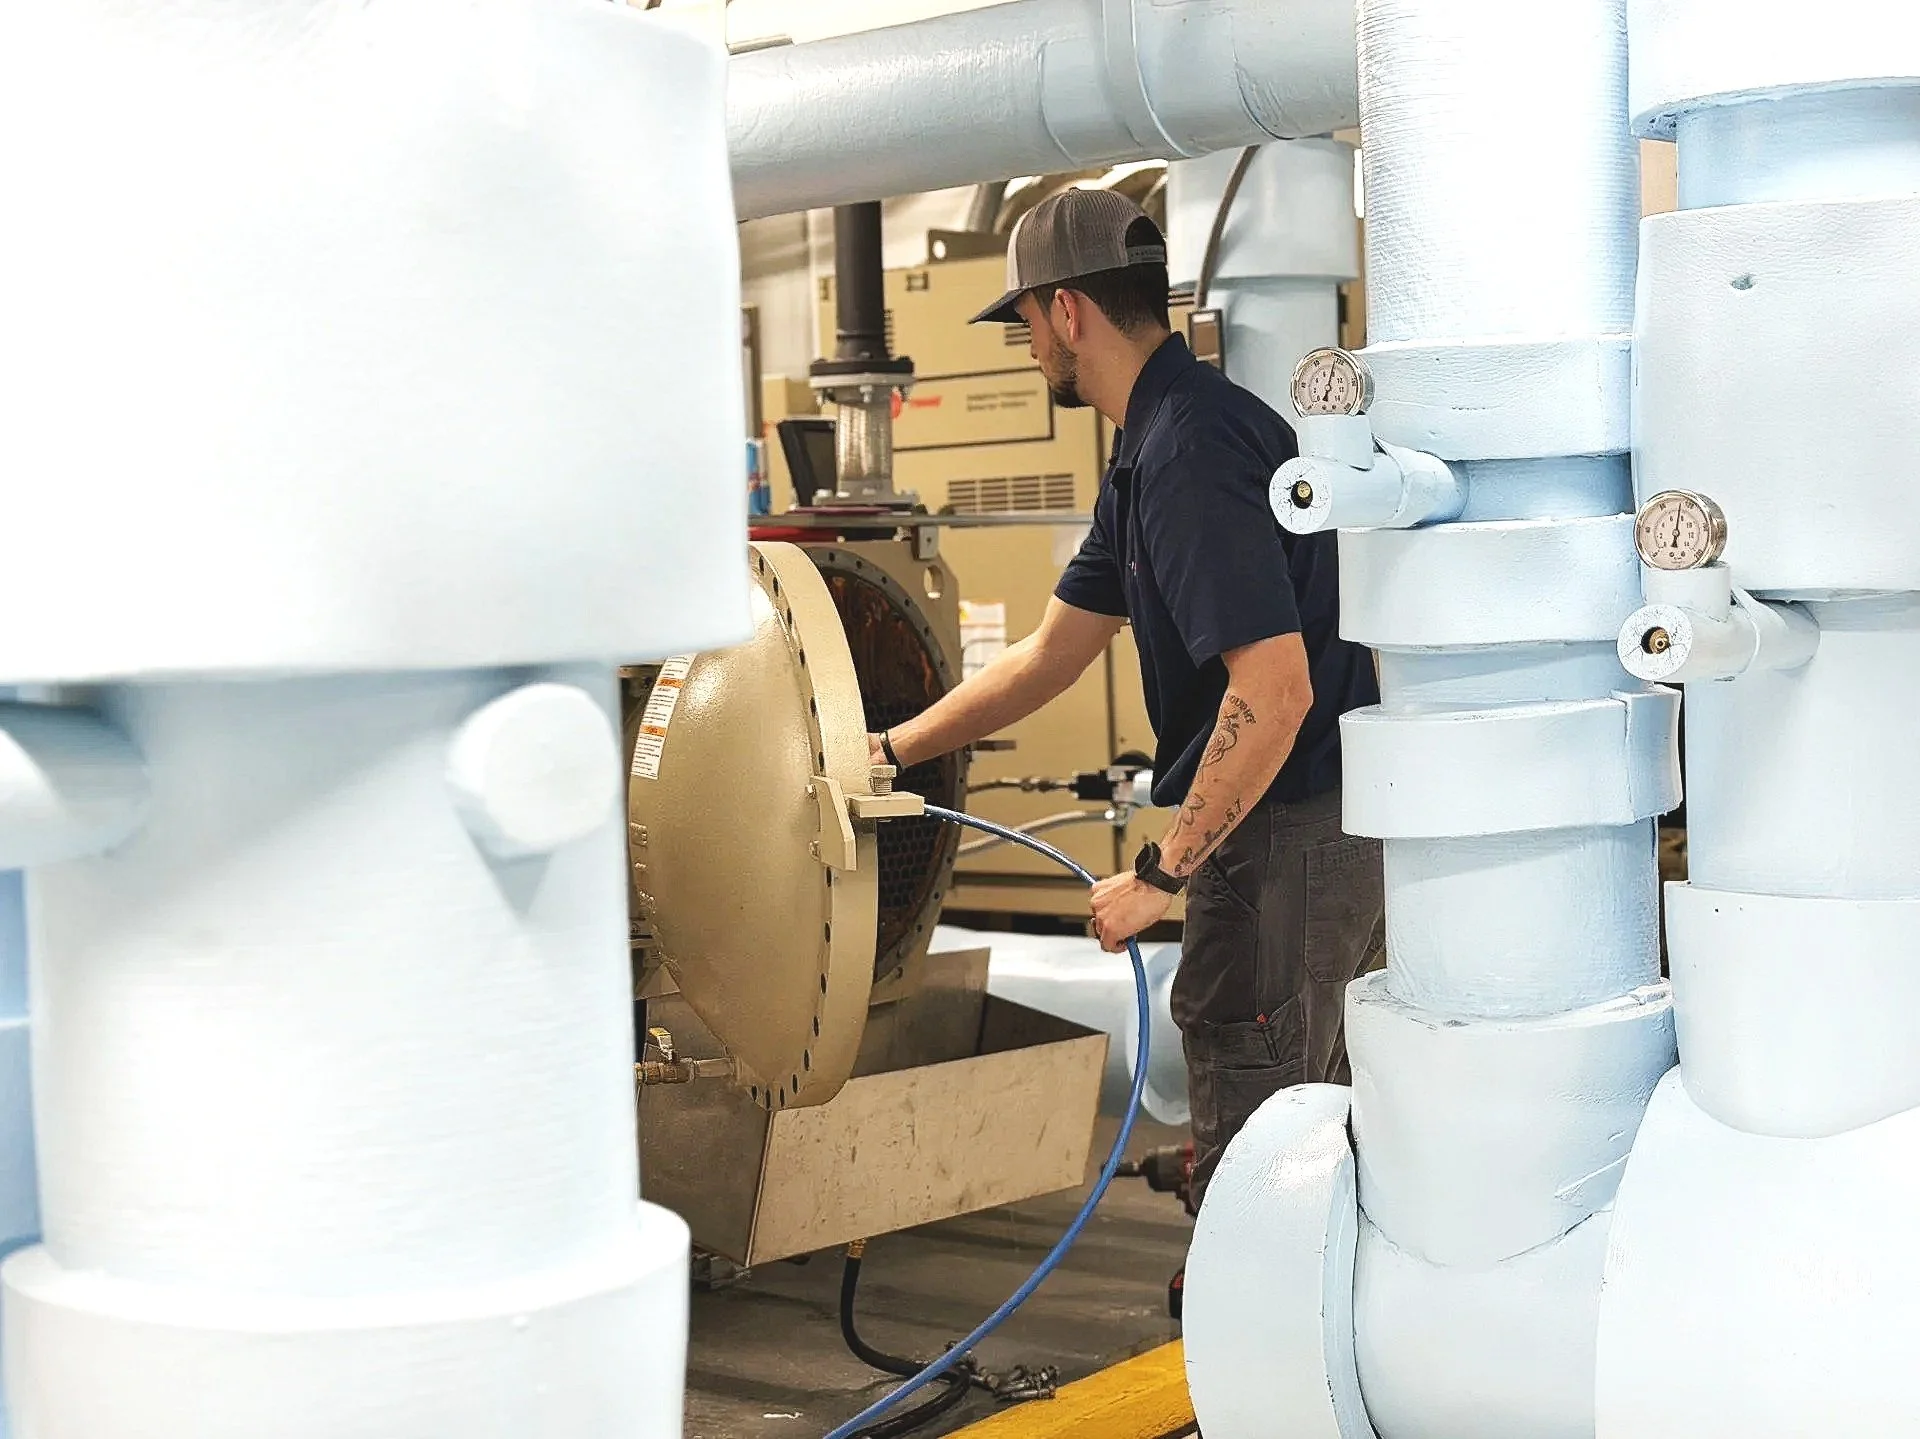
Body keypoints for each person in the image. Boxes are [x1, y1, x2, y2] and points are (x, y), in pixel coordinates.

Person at [868, 188, 1384, 1239]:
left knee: (1267, 1125)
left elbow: (1273, 692)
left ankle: (1262, 1366)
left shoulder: (1190, 452)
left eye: (1023, 323)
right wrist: (889, 750)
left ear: (1065, 312)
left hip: (1285, 831)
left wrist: (1160, 874)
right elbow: (1052, 652)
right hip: (1293, 827)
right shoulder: (1157, 441)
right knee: (1298, 1099)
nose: (1025, 349)